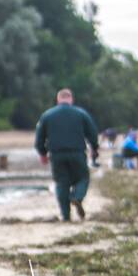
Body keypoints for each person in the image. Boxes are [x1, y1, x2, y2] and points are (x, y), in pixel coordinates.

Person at [34, 89, 99, 221]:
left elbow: (39, 137)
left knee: (61, 183)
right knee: (83, 178)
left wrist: (43, 153)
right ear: (71, 99)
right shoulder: (81, 114)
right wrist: (94, 148)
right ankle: (77, 197)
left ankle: (65, 216)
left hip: (57, 155)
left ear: (58, 100)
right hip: (77, 153)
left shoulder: (47, 115)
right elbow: (92, 133)